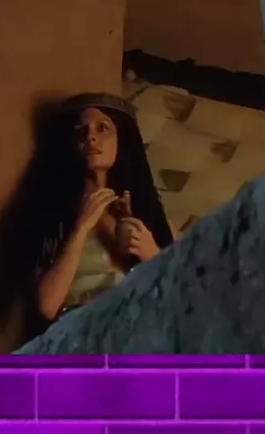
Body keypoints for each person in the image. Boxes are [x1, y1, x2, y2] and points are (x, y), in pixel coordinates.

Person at [33, 92, 174, 322]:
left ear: (121, 140)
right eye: (81, 131)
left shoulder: (141, 214)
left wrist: (151, 254)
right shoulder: (56, 216)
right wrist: (80, 228)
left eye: (102, 128)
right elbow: (47, 305)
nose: (91, 137)